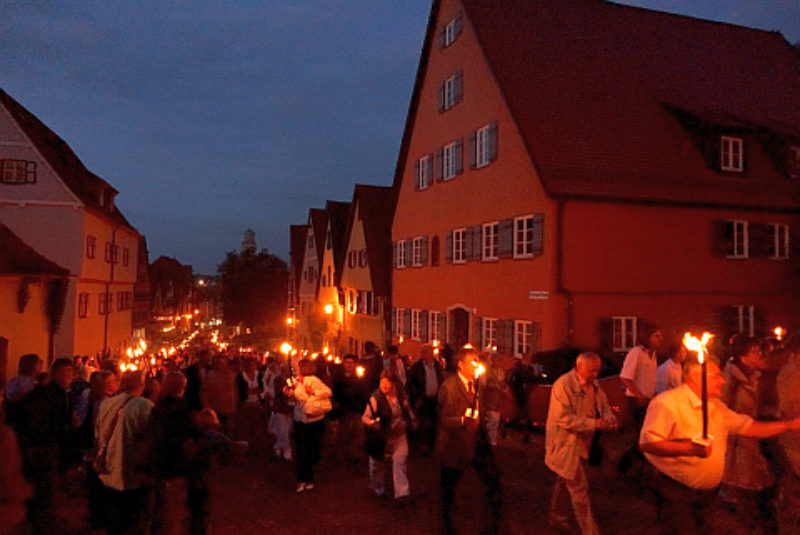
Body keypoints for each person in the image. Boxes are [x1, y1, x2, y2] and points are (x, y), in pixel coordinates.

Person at [640, 356, 800, 535]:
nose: (723, 380)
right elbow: (649, 444)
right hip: (675, 492)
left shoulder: (716, 407)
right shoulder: (667, 403)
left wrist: (788, 425)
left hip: (706, 496)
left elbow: (750, 427)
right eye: (716, 376)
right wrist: (689, 449)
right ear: (696, 377)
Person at [545, 352, 617, 534]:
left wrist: (609, 418)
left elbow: (603, 405)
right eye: (591, 371)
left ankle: (557, 519)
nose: (595, 374)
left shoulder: (594, 385)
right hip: (565, 445)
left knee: (565, 481)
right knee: (579, 488)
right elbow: (562, 418)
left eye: (597, 371)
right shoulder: (563, 385)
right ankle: (590, 531)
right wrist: (595, 424)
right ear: (579, 367)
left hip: (582, 444)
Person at [436, 350, 502, 535]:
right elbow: (443, 419)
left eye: (477, 361)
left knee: (492, 478)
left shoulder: (476, 383)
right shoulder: (449, 387)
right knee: (449, 486)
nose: (475, 365)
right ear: (460, 365)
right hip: (454, 444)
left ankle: (492, 521)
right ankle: (447, 524)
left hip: (476, 440)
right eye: (471, 361)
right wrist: (463, 421)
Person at [720, 337, 776, 531]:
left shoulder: (754, 376)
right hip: (739, 438)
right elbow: (722, 407)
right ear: (743, 357)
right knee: (745, 481)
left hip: (754, 432)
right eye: (754, 351)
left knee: (758, 480)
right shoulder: (731, 379)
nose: (759, 354)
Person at [16, 357, 75, 533]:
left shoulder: (60, 394)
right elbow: (41, 423)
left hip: (46, 449)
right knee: (45, 493)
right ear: (54, 372)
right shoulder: (46, 394)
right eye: (64, 372)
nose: (67, 376)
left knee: (45, 494)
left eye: (69, 373)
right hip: (44, 450)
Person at [95, 370, 155, 535]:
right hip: (131, 469)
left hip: (108, 467)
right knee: (132, 519)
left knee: (113, 517)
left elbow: (98, 431)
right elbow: (151, 436)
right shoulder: (144, 406)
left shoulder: (107, 403)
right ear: (141, 386)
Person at [362, 370, 416, 502]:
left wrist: (412, 419)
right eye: (382, 383)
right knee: (377, 464)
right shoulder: (376, 398)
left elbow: (408, 411)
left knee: (399, 461)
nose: (384, 386)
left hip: (399, 436)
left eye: (388, 383)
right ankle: (378, 489)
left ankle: (402, 493)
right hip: (382, 438)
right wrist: (372, 423)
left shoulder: (401, 395)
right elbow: (365, 417)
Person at [618, 322, 663, 474]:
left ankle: (637, 466)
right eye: (656, 336)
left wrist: (653, 393)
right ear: (647, 337)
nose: (660, 339)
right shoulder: (636, 352)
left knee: (645, 435)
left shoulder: (652, 354)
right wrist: (639, 395)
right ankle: (626, 466)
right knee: (640, 435)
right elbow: (625, 377)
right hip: (636, 401)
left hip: (648, 400)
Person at [286, 358, 332, 492]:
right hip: (300, 420)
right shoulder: (297, 381)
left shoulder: (312, 380)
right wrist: (290, 393)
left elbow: (327, 392)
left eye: (300, 367)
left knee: (306, 451)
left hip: (311, 421)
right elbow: (295, 399)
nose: (298, 370)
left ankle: (306, 479)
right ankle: (303, 479)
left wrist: (312, 392)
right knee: (301, 451)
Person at [332, 354, 368, 463]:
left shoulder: (358, 377)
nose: (349, 365)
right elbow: (335, 392)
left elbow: (363, 392)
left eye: (351, 363)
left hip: (356, 408)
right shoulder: (338, 377)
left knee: (357, 433)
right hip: (343, 409)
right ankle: (341, 454)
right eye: (347, 363)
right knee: (343, 433)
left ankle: (354, 454)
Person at [408, 344, 443, 455]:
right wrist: (416, 398)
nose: (424, 355)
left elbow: (441, 380)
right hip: (423, 399)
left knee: (433, 424)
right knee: (423, 424)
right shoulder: (416, 368)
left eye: (427, 352)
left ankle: (431, 447)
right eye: (423, 352)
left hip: (435, 399)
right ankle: (422, 447)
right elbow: (410, 384)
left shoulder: (437, 366)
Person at [3, 353, 41, 431]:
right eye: (38, 365)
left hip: (10, 420)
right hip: (27, 421)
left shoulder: (11, 381)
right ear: (33, 366)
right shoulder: (34, 385)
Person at [201, 354, 237, 435]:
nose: (222, 365)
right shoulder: (210, 376)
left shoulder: (231, 374)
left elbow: (234, 390)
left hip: (230, 409)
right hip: (216, 409)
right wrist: (207, 408)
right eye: (220, 363)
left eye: (224, 363)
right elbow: (204, 393)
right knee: (218, 432)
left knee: (229, 432)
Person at [266, 362, 293, 460]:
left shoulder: (291, 380)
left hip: (288, 409)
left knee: (286, 430)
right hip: (280, 409)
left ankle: (278, 447)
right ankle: (286, 450)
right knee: (282, 430)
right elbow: (280, 393)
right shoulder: (278, 380)